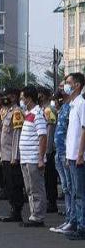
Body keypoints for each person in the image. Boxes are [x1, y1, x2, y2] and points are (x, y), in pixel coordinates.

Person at [19, 85, 47, 227]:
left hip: (34, 158)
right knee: (29, 188)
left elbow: (42, 136)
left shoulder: (38, 113)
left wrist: (40, 158)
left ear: (29, 98)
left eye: (23, 98)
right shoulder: (28, 113)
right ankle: (33, 214)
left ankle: (38, 216)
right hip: (26, 158)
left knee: (36, 188)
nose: (21, 100)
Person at [50, 81, 74, 234]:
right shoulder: (64, 107)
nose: (60, 88)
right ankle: (69, 219)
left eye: (64, 85)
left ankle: (73, 220)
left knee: (72, 188)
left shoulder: (74, 106)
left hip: (67, 152)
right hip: (59, 152)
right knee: (66, 188)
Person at [0, 88, 25, 223]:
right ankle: (13, 209)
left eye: (6, 96)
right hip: (5, 155)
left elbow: (17, 136)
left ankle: (17, 211)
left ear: (14, 97)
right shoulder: (7, 112)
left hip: (12, 156)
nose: (4, 99)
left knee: (15, 185)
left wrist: (15, 156)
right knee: (9, 184)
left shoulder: (17, 112)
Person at [64, 72, 85, 240]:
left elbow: (84, 131)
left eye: (69, 83)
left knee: (80, 193)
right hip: (71, 156)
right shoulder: (72, 104)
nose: (66, 86)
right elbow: (72, 134)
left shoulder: (82, 104)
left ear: (77, 85)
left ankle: (82, 227)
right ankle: (76, 223)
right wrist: (68, 155)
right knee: (73, 191)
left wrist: (79, 155)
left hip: (79, 157)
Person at [38, 86, 59, 213]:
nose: (38, 96)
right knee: (45, 177)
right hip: (43, 148)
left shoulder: (48, 110)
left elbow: (50, 130)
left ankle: (52, 202)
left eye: (40, 94)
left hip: (48, 149)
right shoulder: (41, 109)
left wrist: (48, 149)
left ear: (45, 95)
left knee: (50, 177)